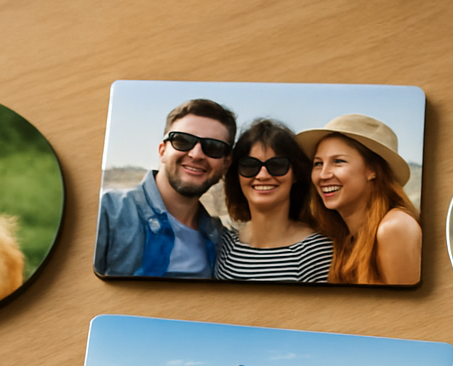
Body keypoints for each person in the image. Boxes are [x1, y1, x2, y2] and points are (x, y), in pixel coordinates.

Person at [94, 98, 237, 278]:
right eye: (183, 141)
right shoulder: (107, 214)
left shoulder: (221, 240)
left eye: (213, 147)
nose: (196, 154)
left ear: (226, 163)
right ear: (162, 151)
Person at [296, 114, 421, 285]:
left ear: (373, 170)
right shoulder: (342, 237)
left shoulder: (394, 228)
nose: (323, 175)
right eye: (318, 164)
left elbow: (408, 309)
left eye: (338, 161)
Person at [214, 118, 333, 283]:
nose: (262, 175)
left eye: (277, 165)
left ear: (296, 174)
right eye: (250, 165)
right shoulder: (225, 244)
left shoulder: (317, 252)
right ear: (237, 175)